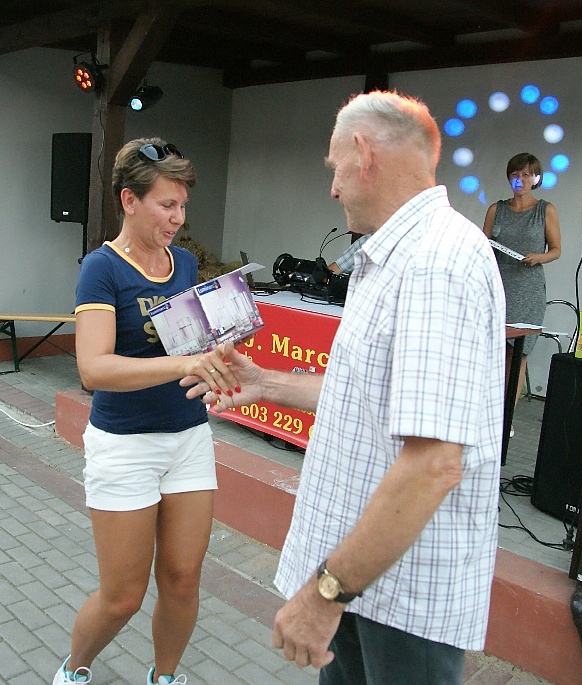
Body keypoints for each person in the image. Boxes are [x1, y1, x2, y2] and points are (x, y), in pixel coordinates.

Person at [185, 91, 506, 684]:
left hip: (397, 596)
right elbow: (369, 397)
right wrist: (266, 383)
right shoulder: (392, 255)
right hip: (364, 580)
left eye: (333, 168)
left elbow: (433, 464)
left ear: (363, 152)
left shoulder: (436, 262)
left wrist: (323, 596)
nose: (332, 188)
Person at [51, 138, 240, 685]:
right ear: (129, 200)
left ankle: (166, 678)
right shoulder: (100, 269)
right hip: (125, 446)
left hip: (187, 440)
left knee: (182, 579)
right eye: (166, 205)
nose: (179, 218)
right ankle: (74, 670)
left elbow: (193, 338)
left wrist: (222, 349)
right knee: (123, 597)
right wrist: (185, 361)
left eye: (183, 206)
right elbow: (94, 369)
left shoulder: (182, 262)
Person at [482, 153, 562, 412]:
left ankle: (506, 416)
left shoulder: (545, 210)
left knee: (517, 354)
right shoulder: (497, 209)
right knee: (490, 352)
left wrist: (538, 257)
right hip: (497, 285)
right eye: (515, 174)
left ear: (536, 179)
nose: (519, 180)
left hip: (527, 287)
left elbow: (556, 249)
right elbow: (483, 247)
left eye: (525, 175)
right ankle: (484, 410)